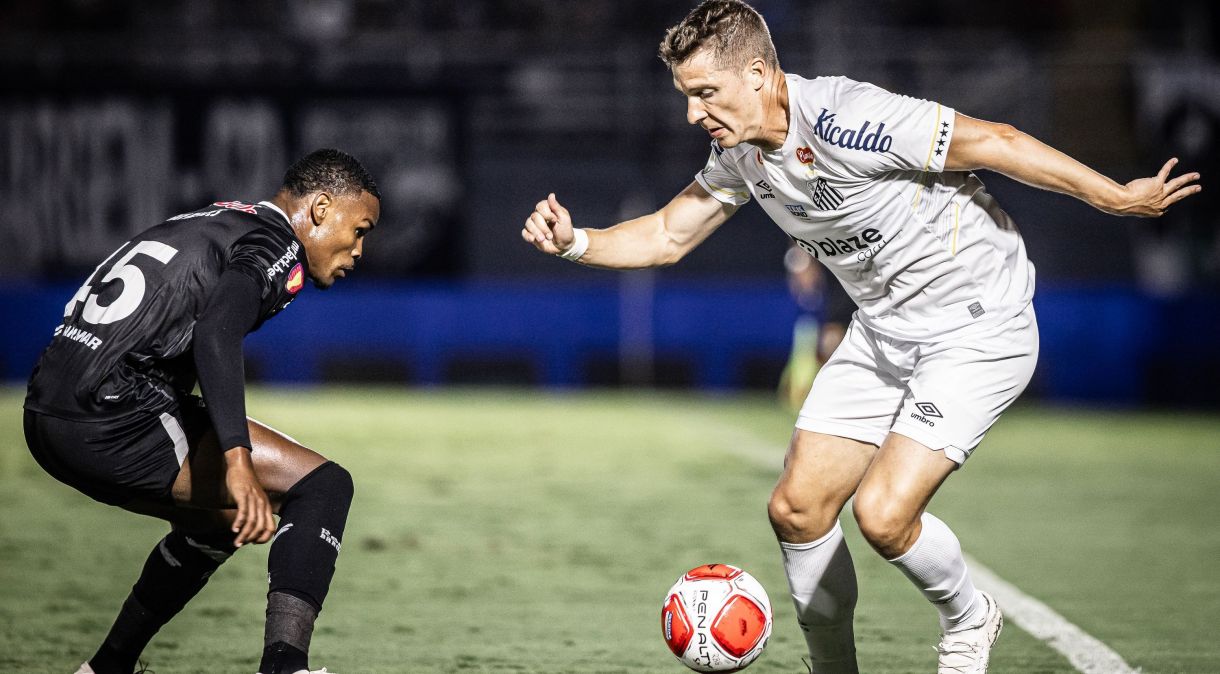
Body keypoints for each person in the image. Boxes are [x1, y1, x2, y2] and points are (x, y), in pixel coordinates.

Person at [519, 2, 1201, 671]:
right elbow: (668, 234)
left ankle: (969, 619)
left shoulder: (850, 119)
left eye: (704, 94)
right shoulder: (741, 155)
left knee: (882, 514)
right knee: (797, 509)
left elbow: (998, 141)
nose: (693, 113)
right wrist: (575, 242)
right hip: (885, 332)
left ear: (757, 75)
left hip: (977, 326)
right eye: (687, 96)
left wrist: (1114, 196)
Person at [23, 148, 381, 674]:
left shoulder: (217, 218)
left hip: (45, 413)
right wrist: (236, 461)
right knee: (323, 486)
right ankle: (285, 666)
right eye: (361, 229)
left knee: (217, 524)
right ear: (323, 208)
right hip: (111, 418)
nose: (360, 249)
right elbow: (217, 332)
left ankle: (106, 668)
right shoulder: (275, 242)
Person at [778, 242, 853, 411]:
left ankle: (827, 395)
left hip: (832, 309)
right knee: (810, 353)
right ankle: (801, 394)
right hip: (815, 314)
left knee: (827, 350)